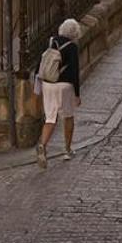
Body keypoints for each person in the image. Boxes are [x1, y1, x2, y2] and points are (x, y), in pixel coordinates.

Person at [34, 17, 82, 166]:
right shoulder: (72, 47)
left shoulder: (50, 41)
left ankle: (43, 144)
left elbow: (41, 63)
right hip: (64, 85)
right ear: (75, 33)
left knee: (50, 118)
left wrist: (38, 85)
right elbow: (74, 71)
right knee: (68, 117)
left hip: (48, 84)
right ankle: (67, 150)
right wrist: (77, 94)